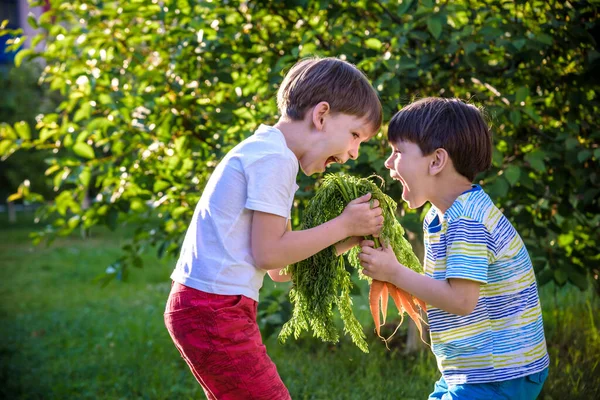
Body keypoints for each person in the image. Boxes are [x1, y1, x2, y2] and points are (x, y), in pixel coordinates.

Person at [164, 57, 384, 400]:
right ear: (321, 115)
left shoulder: (271, 154)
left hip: (212, 307)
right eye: (355, 135)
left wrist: (347, 239)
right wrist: (341, 225)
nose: (354, 152)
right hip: (214, 310)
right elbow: (269, 255)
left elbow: (281, 269)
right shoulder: (274, 160)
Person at [359, 97, 549, 400]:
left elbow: (461, 300)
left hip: (499, 372)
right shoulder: (440, 216)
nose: (388, 163)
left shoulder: (467, 220)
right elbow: (444, 290)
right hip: (470, 368)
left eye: (397, 152)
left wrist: (394, 273)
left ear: (436, 161)